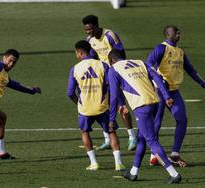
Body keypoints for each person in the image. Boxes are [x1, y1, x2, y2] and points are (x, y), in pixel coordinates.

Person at [108, 49, 181, 184]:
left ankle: (174, 174)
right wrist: (166, 96)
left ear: (111, 61)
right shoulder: (140, 62)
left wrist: (111, 119)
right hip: (155, 102)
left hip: (141, 107)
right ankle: (133, 172)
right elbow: (157, 77)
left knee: (152, 141)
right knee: (142, 138)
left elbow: (113, 97)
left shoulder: (113, 70)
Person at [146, 25, 205, 167]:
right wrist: (158, 78)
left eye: (179, 31)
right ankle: (153, 155)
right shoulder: (161, 48)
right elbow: (148, 64)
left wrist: (203, 83)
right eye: (175, 31)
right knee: (157, 122)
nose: (178, 32)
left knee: (182, 119)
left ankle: (174, 154)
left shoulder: (180, 51)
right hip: (159, 90)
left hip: (174, 91)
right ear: (167, 34)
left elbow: (191, 70)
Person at [67, 40, 125, 171]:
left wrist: (78, 103)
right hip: (102, 106)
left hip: (85, 109)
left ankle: (94, 163)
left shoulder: (75, 69)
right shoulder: (103, 65)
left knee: (85, 132)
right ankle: (118, 163)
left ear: (80, 52)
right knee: (111, 131)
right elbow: (113, 86)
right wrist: (120, 104)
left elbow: (70, 92)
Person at [82, 15, 137, 151]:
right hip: (101, 76)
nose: (88, 32)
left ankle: (132, 136)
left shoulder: (110, 35)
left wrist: (119, 71)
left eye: (89, 29)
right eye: (86, 30)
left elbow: (121, 53)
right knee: (103, 107)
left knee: (120, 105)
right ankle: (107, 138)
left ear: (96, 25)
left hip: (115, 73)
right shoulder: (89, 40)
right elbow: (92, 57)